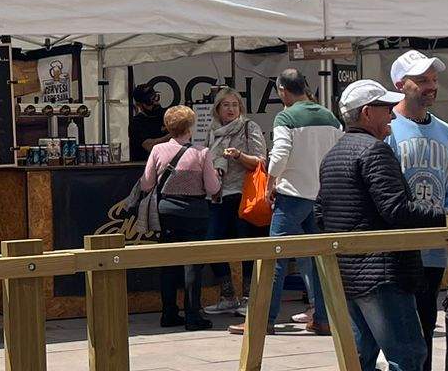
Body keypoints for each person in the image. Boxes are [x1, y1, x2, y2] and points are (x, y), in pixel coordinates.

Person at [316, 78, 448, 371]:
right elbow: (397, 210)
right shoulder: (375, 152)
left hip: (348, 270)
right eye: (384, 107)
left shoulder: (335, 154)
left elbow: (323, 214)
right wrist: (446, 217)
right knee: (407, 351)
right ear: (366, 114)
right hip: (382, 269)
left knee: (360, 353)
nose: (391, 113)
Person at [387, 50, 448, 371]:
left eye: (433, 79)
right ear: (400, 85)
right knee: (393, 328)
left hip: (434, 247)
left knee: (426, 321)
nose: (430, 86)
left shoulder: (446, 132)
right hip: (398, 246)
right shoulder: (387, 129)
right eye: (421, 80)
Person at [235, 68, 339, 338]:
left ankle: (262, 320)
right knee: (318, 257)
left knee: (275, 257)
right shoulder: (329, 116)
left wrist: (270, 184)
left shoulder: (286, 116)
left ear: (282, 90)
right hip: (320, 197)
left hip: (292, 195)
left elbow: (279, 155)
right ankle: (323, 318)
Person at [140, 105, 213, 328]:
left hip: (166, 212)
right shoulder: (202, 153)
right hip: (195, 213)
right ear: (190, 127)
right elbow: (212, 187)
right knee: (193, 264)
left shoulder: (158, 150)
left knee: (169, 262)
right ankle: (193, 314)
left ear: (168, 127)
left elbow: (146, 183)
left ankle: (168, 312)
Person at [202, 88, 266, 314]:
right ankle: (228, 295)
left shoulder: (249, 127)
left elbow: (261, 161)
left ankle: (250, 297)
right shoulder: (212, 131)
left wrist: (239, 155)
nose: (230, 109)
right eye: (226, 105)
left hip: (242, 194)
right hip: (218, 196)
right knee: (212, 245)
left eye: (235, 105)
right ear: (217, 108)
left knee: (246, 246)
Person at [126, 84, 167, 158]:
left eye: (155, 98)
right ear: (139, 105)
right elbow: (149, 146)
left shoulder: (166, 116)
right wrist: (173, 134)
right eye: (149, 101)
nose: (155, 103)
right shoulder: (136, 123)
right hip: (143, 165)